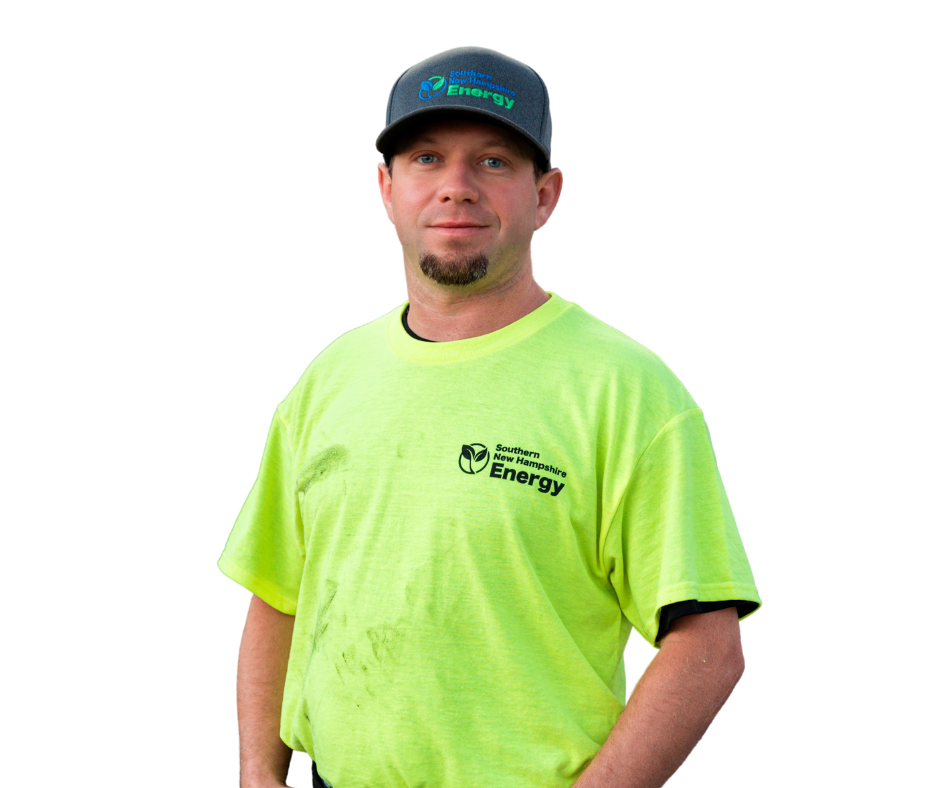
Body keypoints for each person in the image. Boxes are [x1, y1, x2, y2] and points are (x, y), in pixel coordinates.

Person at [221, 45, 762, 788]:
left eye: (494, 161)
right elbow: (276, 596)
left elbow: (707, 644)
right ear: (386, 188)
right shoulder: (328, 380)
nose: (457, 188)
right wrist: (257, 772)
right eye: (426, 158)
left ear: (546, 195)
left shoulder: (628, 390)